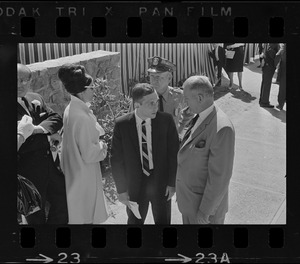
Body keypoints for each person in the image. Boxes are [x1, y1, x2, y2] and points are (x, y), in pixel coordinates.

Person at [111, 83, 179, 224]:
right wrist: (121, 190)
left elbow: (174, 154)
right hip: (135, 186)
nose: (156, 106)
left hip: (161, 183)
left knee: (163, 222)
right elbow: (117, 160)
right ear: (137, 105)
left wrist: (172, 183)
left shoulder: (166, 121)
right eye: (151, 103)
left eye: (157, 102)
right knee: (134, 222)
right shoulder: (122, 124)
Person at [176, 75, 235, 224]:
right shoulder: (199, 115)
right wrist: (184, 123)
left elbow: (220, 177)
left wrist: (205, 212)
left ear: (200, 98)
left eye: (187, 98)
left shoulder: (222, 128)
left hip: (204, 212)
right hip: (190, 202)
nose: (185, 102)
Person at [17, 63, 68, 224]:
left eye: (24, 80)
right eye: (16, 79)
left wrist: (36, 130)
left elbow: (56, 118)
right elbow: (22, 144)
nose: (20, 84)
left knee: (62, 204)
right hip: (27, 174)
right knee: (35, 218)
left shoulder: (35, 98)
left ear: (30, 81)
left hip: (50, 167)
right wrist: (47, 134)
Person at [58, 64, 109, 224]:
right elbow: (90, 154)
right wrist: (103, 146)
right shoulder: (82, 117)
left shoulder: (71, 109)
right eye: (92, 88)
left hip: (74, 170)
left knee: (79, 213)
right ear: (82, 90)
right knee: (87, 216)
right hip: (84, 173)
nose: (94, 91)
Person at [129, 56, 193, 134]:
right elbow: (130, 122)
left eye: (159, 77)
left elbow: (190, 119)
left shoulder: (180, 97)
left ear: (169, 78)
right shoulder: (140, 97)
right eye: (152, 76)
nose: (155, 80)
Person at [258, 43, 281, 108]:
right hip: (269, 65)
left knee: (264, 83)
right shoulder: (274, 44)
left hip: (266, 64)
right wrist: (275, 62)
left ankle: (262, 100)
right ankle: (264, 102)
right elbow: (270, 51)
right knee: (267, 84)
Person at [276, 44, 286, 110]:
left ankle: (280, 104)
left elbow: (277, 56)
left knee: (282, 89)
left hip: (284, 71)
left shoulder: (283, 50)